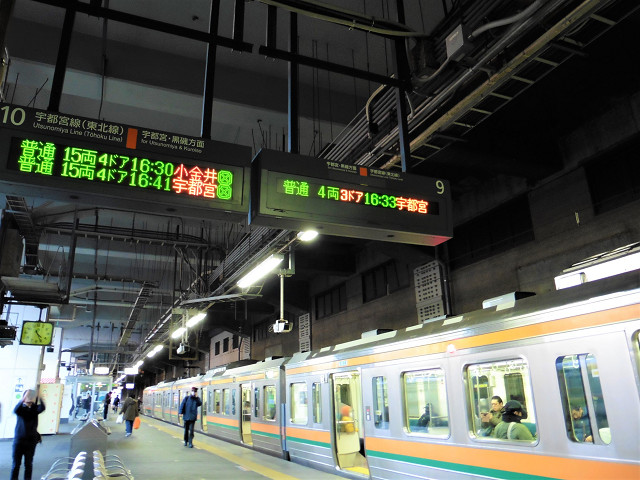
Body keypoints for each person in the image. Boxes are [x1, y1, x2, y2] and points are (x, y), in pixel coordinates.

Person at [11, 388, 45, 480]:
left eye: (31, 396)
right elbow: (15, 410)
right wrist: (25, 397)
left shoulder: (35, 408)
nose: (29, 398)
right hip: (19, 440)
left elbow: (42, 408)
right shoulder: (20, 408)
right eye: (27, 396)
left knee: (28, 464)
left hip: (31, 441)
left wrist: (39, 396)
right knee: (16, 464)